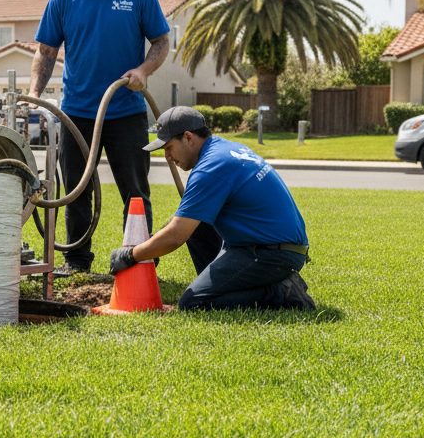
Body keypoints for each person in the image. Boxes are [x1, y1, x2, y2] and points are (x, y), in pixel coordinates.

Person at [30, 0, 171, 276]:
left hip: (125, 112)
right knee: (76, 191)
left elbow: (161, 41)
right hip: (77, 112)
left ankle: (138, 259)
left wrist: (143, 69)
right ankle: (76, 262)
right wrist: (34, 92)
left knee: (135, 192)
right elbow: (46, 51)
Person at [108, 106, 317, 311]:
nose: (168, 157)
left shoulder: (210, 168)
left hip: (271, 254)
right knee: (196, 224)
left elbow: (176, 236)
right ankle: (236, 285)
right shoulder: (224, 150)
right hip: (273, 245)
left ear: (188, 137)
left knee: (193, 303)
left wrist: (131, 255)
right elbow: (184, 220)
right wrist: (153, 245)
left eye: (168, 148)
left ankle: (280, 292)